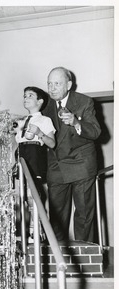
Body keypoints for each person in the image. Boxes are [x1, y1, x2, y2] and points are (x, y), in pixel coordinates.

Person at [43, 67, 101, 242]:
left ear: (68, 85)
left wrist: (77, 122)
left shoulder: (84, 102)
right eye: (49, 84)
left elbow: (96, 131)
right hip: (56, 166)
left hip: (81, 164)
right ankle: (57, 258)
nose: (52, 88)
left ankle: (85, 257)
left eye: (57, 84)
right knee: (56, 218)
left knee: (84, 216)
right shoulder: (44, 105)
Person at [13, 86, 56, 241]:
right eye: (25, 95)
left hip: (35, 158)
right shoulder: (21, 121)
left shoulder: (45, 120)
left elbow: (52, 144)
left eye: (30, 95)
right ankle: (26, 231)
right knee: (22, 198)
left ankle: (35, 232)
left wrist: (39, 133)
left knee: (33, 197)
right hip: (21, 157)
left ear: (40, 101)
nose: (26, 98)